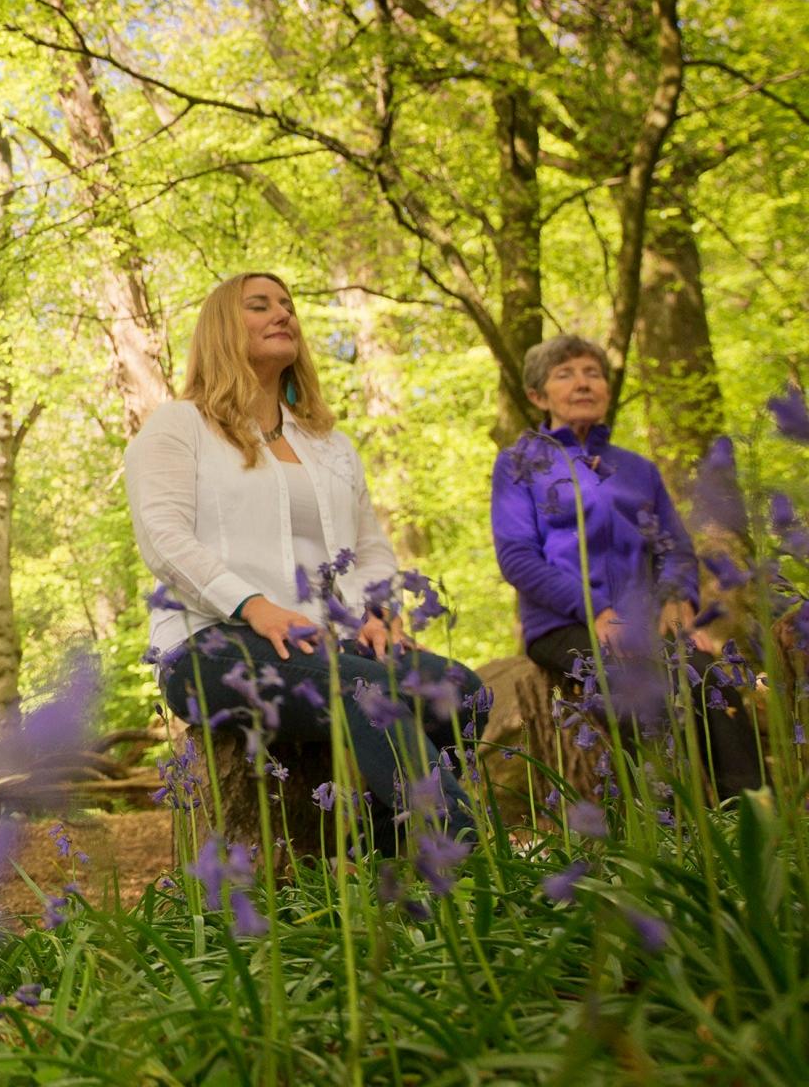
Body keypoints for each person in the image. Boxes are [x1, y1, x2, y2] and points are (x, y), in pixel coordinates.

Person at [130, 272, 485, 843]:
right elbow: (163, 538)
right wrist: (252, 606)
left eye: (288, 306)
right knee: (369, 692)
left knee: (460, 692)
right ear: (222, 328)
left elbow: (369, 547)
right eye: (260, 305)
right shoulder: (179, 427)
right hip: (210, 644)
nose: (282, 314)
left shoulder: (329, 445)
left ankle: (385, 867)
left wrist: (376, 613)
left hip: (329, 643)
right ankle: (459, 861)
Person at [492, 332, 763, 800]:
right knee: (639, 695)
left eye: (593, 373)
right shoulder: (518, 464)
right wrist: (595, 609)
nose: (583, 383)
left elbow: (675, 549)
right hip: (565, 624)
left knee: (713, 685)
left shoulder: (638, 469)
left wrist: (676, 600)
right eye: (565, 374)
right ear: (539, 396)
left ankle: (752, 822)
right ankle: (667, 829)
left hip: (645, 623)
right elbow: (517, 557)